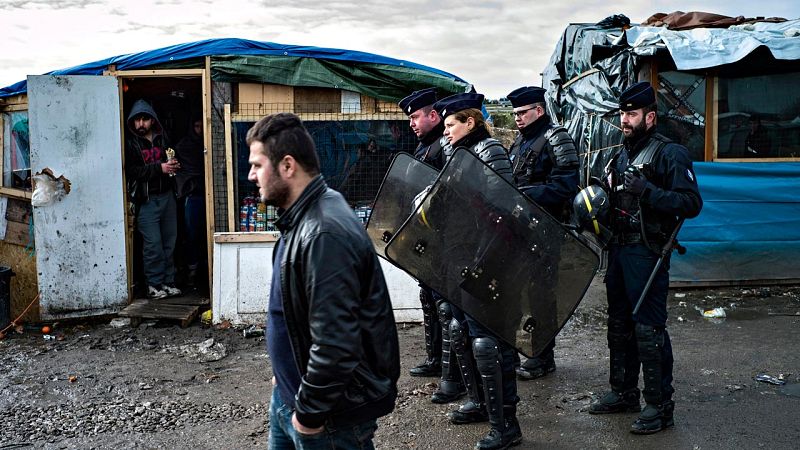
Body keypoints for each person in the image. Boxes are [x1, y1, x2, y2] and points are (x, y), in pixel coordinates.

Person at [246, 113, 400, 449]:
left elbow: (336, 343)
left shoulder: (324, 233)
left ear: (288, 166)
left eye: (257, 165)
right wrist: (284, 375)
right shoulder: (304, 214)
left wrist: (308, 414)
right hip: (290, 395)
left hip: (328, 419)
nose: (251, 175)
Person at [588, 82, 702, 435]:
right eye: (623, 114)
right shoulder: (620, 154)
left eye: (632, 114)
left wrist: (648, 191)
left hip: (648, 252)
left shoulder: (670, 153)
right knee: (619, 324)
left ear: (650, 117)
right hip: (618, 249)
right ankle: (623, 393)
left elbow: (691, 204)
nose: (625, 120)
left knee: (648, 329)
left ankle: (660, 406)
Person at [433, 92, 522, 450]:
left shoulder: (490, 151)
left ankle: (506, 425)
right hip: (460, 258)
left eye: (451, 124)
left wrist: (484, 259)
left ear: (470, 122)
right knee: (463, 331)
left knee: (490, 343)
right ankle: (481, 403)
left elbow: (503, 210)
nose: (446, 131)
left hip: (487, 260)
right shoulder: (459, 154)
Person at [506, 86, 580, 381]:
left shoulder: (556, 138)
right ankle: (515, 351)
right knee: (515, 291)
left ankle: (542, 355)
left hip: (547, 228)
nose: (517, 118)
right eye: (514, 114)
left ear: (539, 110)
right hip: (519, 229)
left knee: (540, 294)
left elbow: (566, 186)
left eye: (522, 113)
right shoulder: (519, 143)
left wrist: (527, 194)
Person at [397, 88, 449, 381]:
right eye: (410, 119)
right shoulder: (424, 148)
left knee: (443, 305)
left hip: (442, 237)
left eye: (416, 117)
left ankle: (449, 367)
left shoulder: (445, 146)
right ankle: (435, 358)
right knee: (428, 298)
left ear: (433, 115)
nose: (412, 123)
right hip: (425, 236)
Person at [125, 99, 182, 300]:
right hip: (146, 200)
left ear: (152, 120)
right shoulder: (130, 143)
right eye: (137, 120)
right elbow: (132, 171)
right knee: (153, 245)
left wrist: (173, 165)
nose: (140, 124)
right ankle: (154, 285)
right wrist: (160, 168)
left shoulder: (163, 138)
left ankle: (168, 282)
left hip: (167, 197)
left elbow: (171, 161)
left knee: (169, 242)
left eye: (145, 119)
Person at [175, 117, 206, 291]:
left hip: (208, 196)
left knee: (205, 234)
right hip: (192, 196)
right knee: (192, 235)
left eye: (202, 125)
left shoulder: (210, 143)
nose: (200, 130)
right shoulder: (183, 147)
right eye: (196, 126)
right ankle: (192, 273)